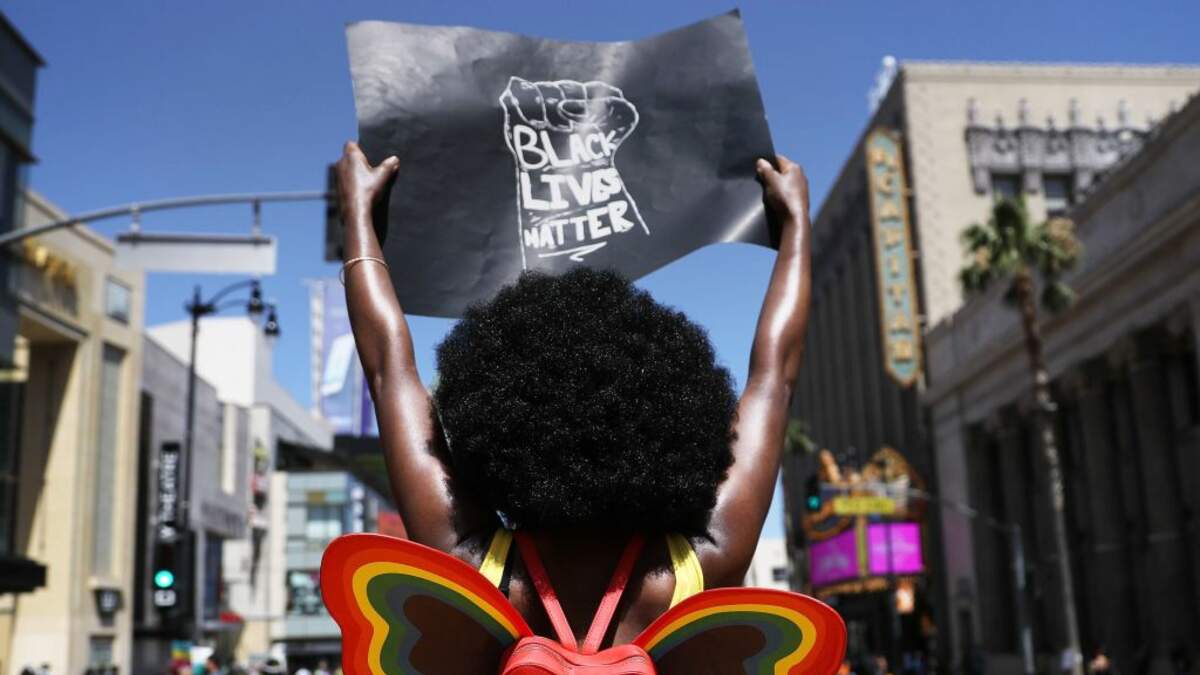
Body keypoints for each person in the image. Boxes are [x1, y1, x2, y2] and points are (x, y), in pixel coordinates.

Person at [336, 140, 811, 647]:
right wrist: (796, 225)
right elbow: (773, 379)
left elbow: (389, 369)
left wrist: (358, 215)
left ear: (503, 429)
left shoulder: (477, 568)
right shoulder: (702, 564)